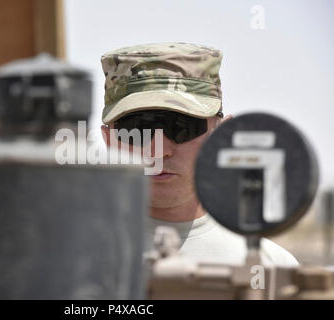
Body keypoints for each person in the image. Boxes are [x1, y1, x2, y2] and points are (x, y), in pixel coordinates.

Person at [99, 42, 298, 266]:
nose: (159, 151)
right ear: (109, 140)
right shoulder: (67, 258)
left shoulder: (270, 267)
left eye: (183, 127)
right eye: (136, 130)